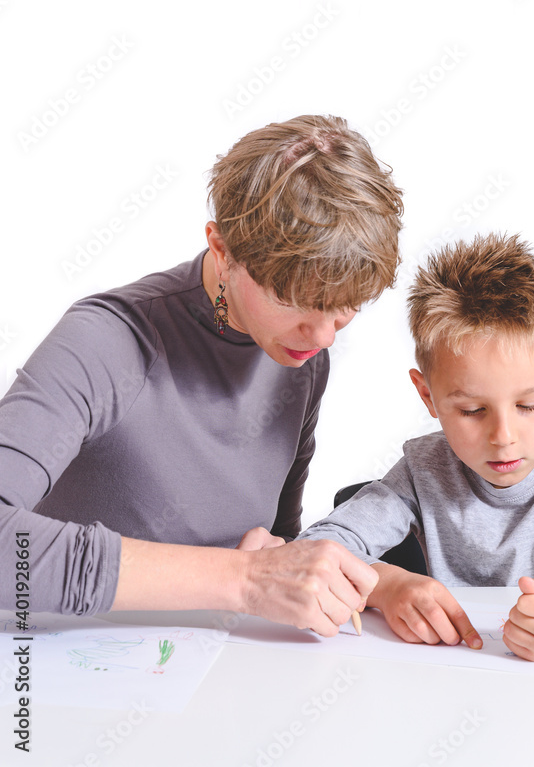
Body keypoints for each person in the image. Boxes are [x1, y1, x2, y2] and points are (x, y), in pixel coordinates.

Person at [0, 114, 404, 635]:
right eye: (294, 300)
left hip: (213, 671)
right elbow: (257, 575)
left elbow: (280, 553)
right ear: (223, 249)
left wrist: (383, 583)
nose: (325, 335)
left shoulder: (300, 356)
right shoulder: (108, 340)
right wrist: (243, 580)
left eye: (347, 306)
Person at [298, 233, 534, 660]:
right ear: (428, 396)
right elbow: (315, 553)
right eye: (473, 410)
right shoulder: (423, 471)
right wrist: (387, 585)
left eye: (529, 405)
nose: (503, 436)